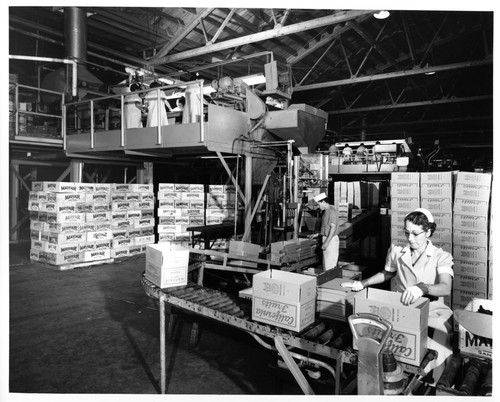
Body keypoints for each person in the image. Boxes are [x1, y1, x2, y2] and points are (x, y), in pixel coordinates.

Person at [346, 208, 454, 383]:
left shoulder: (441, 257)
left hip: (432, 312)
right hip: (401, 311)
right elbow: (387, 273)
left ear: (429, 232)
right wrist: (363, 283)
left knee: (433, 350)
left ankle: (430, 387)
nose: (410, 238)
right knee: (385, 346)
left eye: (415, 234)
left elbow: (445, 287)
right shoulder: (397, 251)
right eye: (407, 233)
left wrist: (423, 288)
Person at [310, 192, 340, 270]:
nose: (318, 207)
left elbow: (332, 229)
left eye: (318, 204)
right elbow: (327, 227)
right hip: (327, 239)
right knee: (326, 265)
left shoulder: (332, 211)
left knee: (329, 267)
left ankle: (330, 282)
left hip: (330, 240)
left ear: (323, 202)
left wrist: (326, 243)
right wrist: (318, 234)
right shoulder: (326, 212)